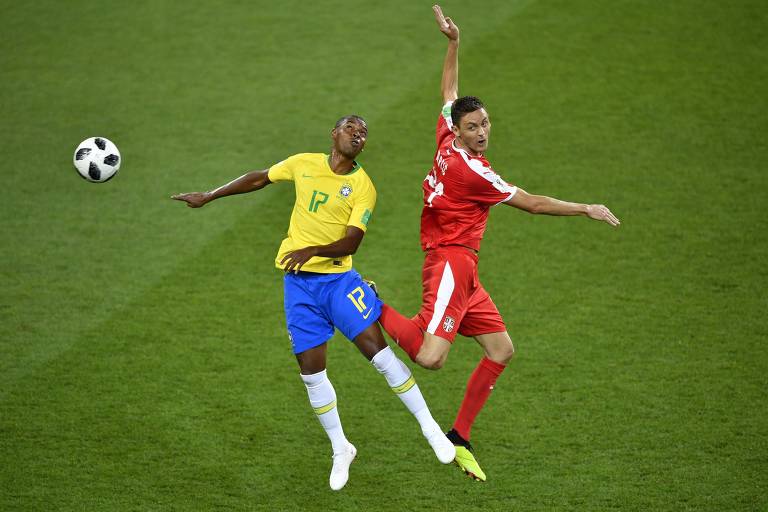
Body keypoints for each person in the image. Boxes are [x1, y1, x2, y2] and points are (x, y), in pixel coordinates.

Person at [377, 5, 621, 482]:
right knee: (430, 357)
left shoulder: (448, 134)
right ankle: (365, 301)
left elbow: (449, 92)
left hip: (464, 270)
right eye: (475, 127)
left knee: (501, 349)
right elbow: (530, 203)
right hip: (449, 262)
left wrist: (452, 43)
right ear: (462, 132)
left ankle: (459, 436)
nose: (483, 131)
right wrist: (584, 208)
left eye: (485, 123)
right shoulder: (474, 171)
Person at [172, 115, 455, 491]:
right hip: (299, 287)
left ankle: (430, 427)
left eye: (364, 133)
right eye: (351, 128)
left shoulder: (362, 187)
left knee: (380, 355)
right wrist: (210, 195)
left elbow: (352, 241)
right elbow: (261, 176)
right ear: (334, 134)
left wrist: (314, 250)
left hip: (338, 282)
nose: (358, 135)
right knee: (311, 373)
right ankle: (341, 448)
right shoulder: (304, 163)